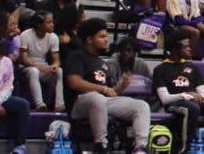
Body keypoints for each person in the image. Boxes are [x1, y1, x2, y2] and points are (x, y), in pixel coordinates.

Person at [64, 18, 151, 152]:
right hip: (79, 104)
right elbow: (74, 82)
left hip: (102, 102)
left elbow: (112, 92)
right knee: (96, 98)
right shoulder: (76, 56)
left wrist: (122, 86)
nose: (106, 40)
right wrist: (104, 89)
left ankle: (140, 147)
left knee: (141, 106)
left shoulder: (101, 62)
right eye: (102, 36)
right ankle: (101, 145)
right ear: (89, 39)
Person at [155, 34, 204, 153]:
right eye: (186, 46)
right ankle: (185, 149)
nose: (190, 48)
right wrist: (187, 95)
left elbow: (203, 96)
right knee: (191, 108)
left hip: (196, 103)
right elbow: (165, 99)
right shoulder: (160, 69)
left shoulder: (193, 67)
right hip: (175, 104)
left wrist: (195, 97)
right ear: (176, 48)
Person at [17, 12, 63, 111]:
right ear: (39, 25)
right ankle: (39, 104)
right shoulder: (25, 35)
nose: (52, 25)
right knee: (34, 71)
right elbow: (23, 59)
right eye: (49, 22)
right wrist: (38, 66)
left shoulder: (53, 37)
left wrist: (54, 66)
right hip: (26, 67)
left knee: (60, 71)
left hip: (43, 66)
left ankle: (59, 104)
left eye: (52, 22)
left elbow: (56, 60)